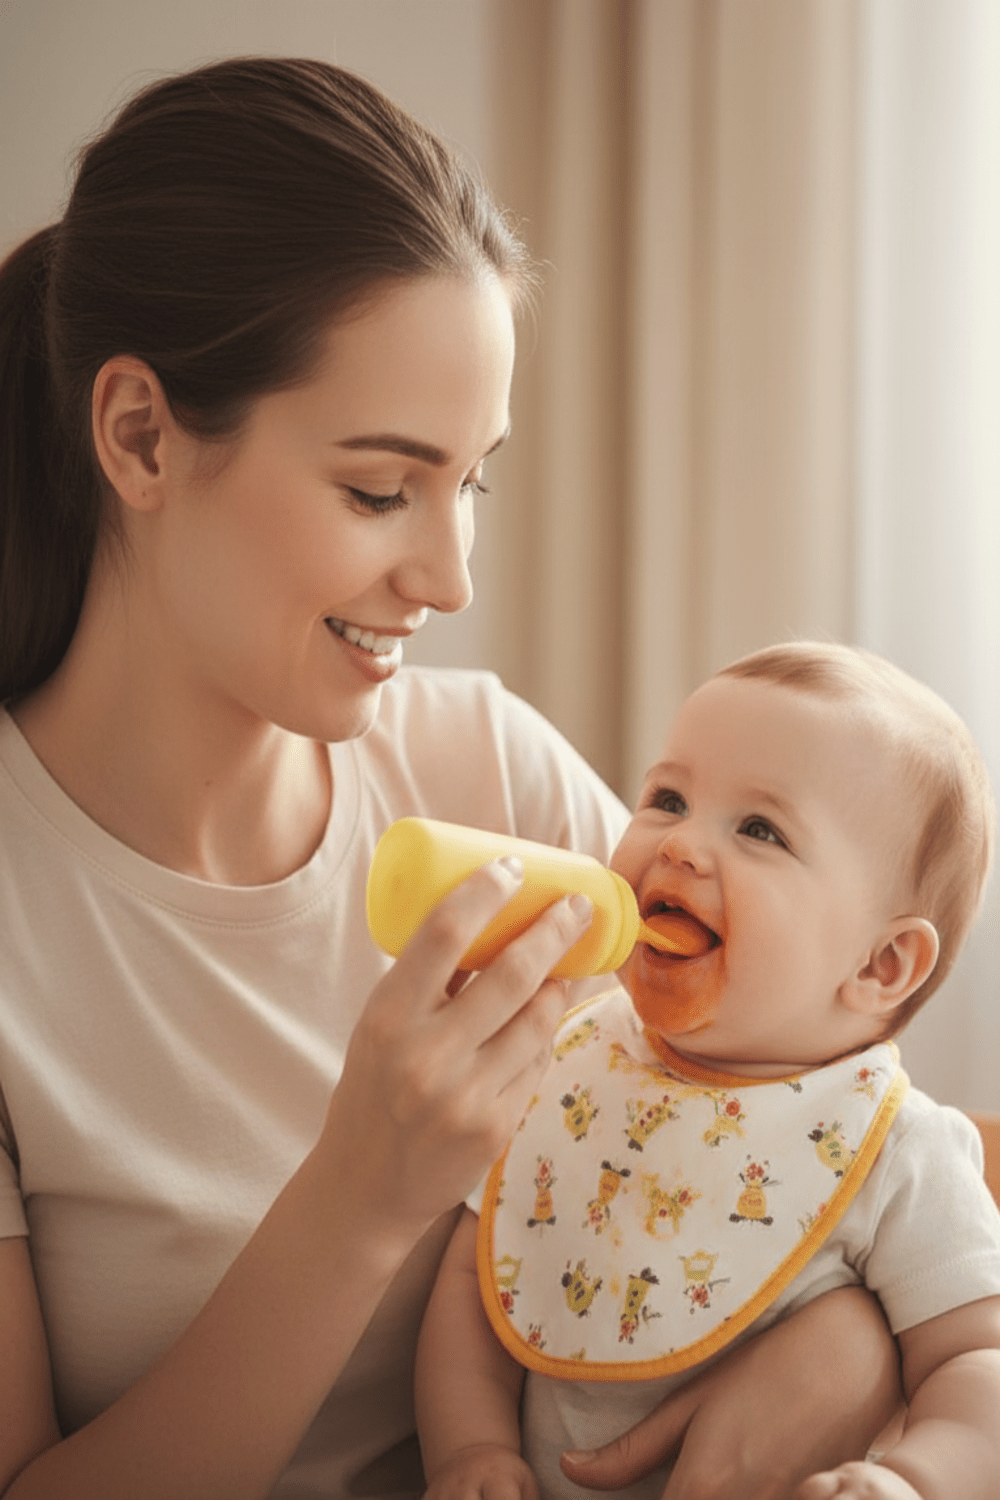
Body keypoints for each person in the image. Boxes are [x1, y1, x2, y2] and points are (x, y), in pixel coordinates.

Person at [0, 58, 901, 1500]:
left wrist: (849, 1352)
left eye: (472, 481)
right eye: (378, 489)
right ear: (141, 436)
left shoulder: (488, 769)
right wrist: (359, 1201)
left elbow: (808, 1139)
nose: (452, 577)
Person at [416, 641, 1000, 1500]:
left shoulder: (898, 1151)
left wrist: (915, 1481)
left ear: (880, 966)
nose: (682, 844)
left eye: (759, 829)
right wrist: (468, 1450)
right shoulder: (571, 1059)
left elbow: (977, 1362)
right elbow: (478, 1277)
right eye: (668, 797)